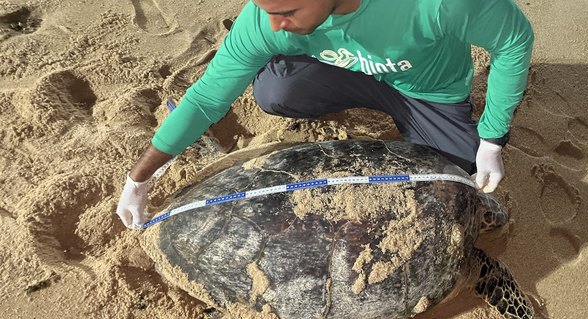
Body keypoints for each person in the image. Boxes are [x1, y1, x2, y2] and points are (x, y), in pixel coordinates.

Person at [117, 0, 534, 229]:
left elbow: (515, 40)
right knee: (275, 90)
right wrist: (140, 177)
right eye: (266, 9)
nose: (275, 25)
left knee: (458, 178)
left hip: (427, 89)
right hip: (344, 70)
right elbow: (207, 98)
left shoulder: (438, 3)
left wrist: (493, 138)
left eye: (288, 12)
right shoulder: (266, 19)